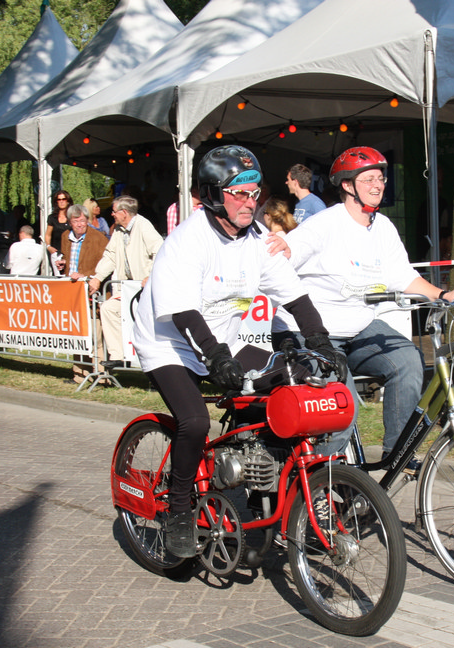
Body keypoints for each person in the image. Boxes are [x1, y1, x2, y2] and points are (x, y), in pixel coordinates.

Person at [131, 145, 344, 557]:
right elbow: (184, 314)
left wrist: (320, 341)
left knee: (289, 388)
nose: (251, 202)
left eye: (254, 193)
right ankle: (178, 510)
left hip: (222, 342)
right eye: (239, 193)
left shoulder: (257, 239)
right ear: (214, 194)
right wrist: (216, 359)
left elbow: (295, 296)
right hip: (169, 344)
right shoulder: (187, 241)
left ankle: (264, 497)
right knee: (195, 422)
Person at [268, 146, 454, 457]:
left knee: (408, 361)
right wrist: (284, 246)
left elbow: (402, 275)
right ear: (347, 185)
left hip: (358, 328)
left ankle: (397, 456)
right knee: (342, 406)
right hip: (310, 333)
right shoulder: (325, 223)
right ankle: (323, 477)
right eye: (369, 179)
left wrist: (442, 295)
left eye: (381, 179)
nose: (378, 185)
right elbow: (289, 252)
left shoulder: (383, 227)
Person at [88, 195, 163, 368]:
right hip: (127, 288)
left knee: (147, 326)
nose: (112, 214)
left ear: (124, 212)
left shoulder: (143, 226)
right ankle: (117, 355)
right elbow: (111, 255)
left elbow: (160, 249)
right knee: (108, 308)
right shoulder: (118, 231)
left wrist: (151, 276)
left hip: (144, 288)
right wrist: (98, 277)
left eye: (114, 211)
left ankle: (154, 365)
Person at [59, 205, 106, 280]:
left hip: (89, 282)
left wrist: (84, 275)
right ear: (69, 222)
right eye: (75, 221)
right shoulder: (65, 236)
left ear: (87, 220)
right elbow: (65, 257)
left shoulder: (99, 238)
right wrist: (63, 263)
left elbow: (104, 264)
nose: (79, 225)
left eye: (82, 221)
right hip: (69, 281)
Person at [45, 190, 73, 272]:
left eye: (64, 199)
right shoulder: (52, 218)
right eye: (59, 199)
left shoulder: (72, 216)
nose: (61, 201)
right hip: (56, 253)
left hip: (70, 251)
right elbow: (48, 234)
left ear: (68, 201)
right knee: (58, 275)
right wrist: (48, 247)